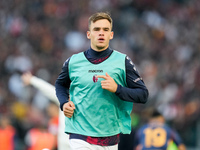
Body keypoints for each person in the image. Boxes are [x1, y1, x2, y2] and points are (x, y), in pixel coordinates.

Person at [55, 12, 149, 150]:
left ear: (111, 35)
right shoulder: (73, 62)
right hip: (80, 134)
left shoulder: (122, 61)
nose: (101, 33)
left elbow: (143, 94)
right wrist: (64, 103)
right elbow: (60, 84)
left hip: (110, 137)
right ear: (89, 34)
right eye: (96, 29)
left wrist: (117, 89)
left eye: (105, 30)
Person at [21, 72, 70, 150]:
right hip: (64, 145)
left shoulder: (85, 102)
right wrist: (32, 80)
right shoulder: (64, 100)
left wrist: (32, 80)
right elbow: (50, 90)